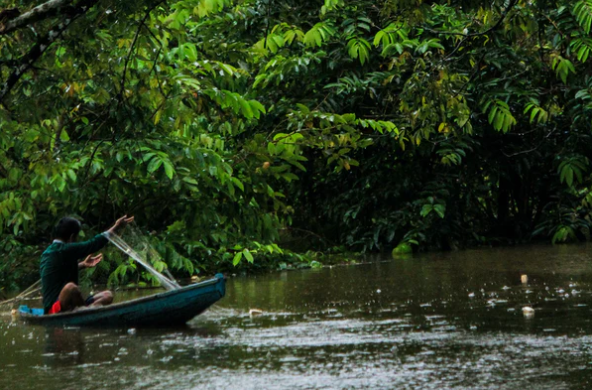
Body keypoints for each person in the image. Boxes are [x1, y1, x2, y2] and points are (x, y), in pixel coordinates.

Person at [40, 215, 134, 315]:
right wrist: (116, 226)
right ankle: (86, 311)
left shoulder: (50, 252)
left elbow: (60, 270)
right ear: (72, 237)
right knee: (71, 288)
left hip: (72, 305)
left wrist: (83, 264)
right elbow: (93, 244)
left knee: (108, 295)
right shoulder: (63, 249)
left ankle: (86, 310)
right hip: (54, 309)